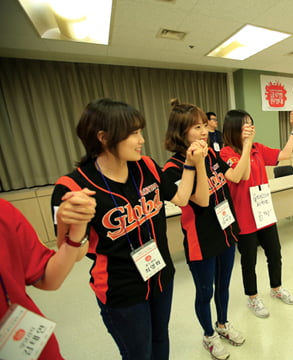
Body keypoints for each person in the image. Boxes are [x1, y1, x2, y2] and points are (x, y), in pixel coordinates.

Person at [51, 98, 191, 360]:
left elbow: (180, 198)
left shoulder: (146, 167)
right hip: (121, 291)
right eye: (134, 133)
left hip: (161, 275)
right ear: (103, 137)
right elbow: (72, 255)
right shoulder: (71, 189)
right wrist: (77, 227)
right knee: (138, 353)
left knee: (161, 339)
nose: (142, 140)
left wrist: (194, 163)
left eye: (140, 131)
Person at [163, 100, 252, 360]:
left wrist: (246, 146)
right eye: (196, 127)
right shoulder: (171, 169)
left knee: (224, 285)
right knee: (205, 291)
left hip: (226, 230)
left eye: (204, 125)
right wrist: (197, 163)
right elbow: (201, 200)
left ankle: (222, 324)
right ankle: (208, 334)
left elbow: (237, 177)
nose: (204, 131)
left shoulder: (213, 154)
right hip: (200, 240)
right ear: (180, 133)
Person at [220, 109, 293, 319]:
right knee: (249, 261)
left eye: (251, 123)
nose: (250, 128)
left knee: (275, 253)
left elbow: (285, 155)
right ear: (234, 128)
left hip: (264, 213)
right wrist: (245, 147)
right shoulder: (226, 153)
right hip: (244, 218)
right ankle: (252, 298)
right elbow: (238, 176)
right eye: (245, 124)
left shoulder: (258, 148)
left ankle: (276, 287)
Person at [0, 196, 94, 360]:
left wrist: (76, 233)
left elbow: (47, 278)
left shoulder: (4, 212)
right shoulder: (65, 187)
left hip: (28, 343)